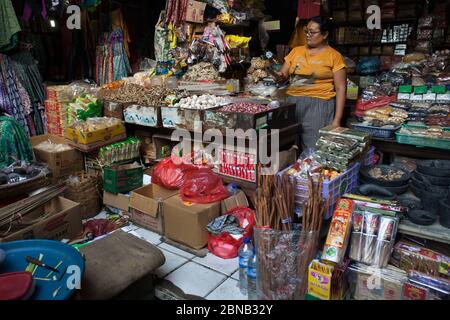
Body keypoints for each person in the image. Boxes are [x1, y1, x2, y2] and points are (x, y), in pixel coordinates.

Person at [276, 16, 347, 151]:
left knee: (313, 148)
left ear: (325, 34)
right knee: (289, 145)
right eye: (306, 31)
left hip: (319, 105)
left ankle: (310, 172)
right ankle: (291, 171)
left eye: (312, 32)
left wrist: (337, 120)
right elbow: (283, 74)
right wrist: (278, 76)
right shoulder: (296, 51)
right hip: (292, 103)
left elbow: (341, 88)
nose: (308, 35)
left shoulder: (334, 56)